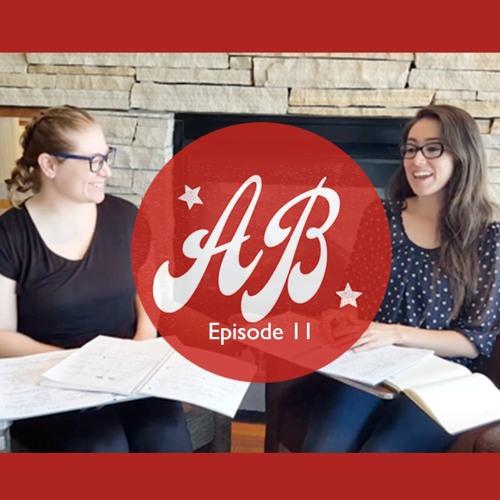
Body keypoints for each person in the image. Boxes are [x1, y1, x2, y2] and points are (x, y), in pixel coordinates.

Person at [300, 104, 500, 452]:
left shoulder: (489, 234)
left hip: (441, 377)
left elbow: (475, 341)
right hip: (370, 367)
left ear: (462, 154)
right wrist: (338, 318)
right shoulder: (381, 217)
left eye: (432, 148)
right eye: (410, 148)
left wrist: (394, 334)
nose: (417, 160)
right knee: (323, 448)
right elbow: (354, 298)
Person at [0, 105, 193, 452]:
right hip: (50, 382)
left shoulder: (125, 217)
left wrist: (140, 344)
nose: (106, 171)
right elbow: (2, 336)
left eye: (106, 156)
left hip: (128, 376)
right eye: (93, 161)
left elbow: (147, 294)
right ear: (49, 165)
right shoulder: (9, 236)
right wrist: (76, 366)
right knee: (103, 446)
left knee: (164, 431)